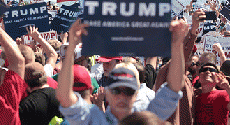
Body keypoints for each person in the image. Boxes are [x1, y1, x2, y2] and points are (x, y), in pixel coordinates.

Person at [56, 18, 187, 124]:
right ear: (107, 93)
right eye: (116, 90)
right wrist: (71, 46)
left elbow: (174, 88)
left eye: (128, 91)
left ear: (136, 94)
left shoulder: (145, 118)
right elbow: (65, 97)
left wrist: (177, 44)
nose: (122, 96)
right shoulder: (96, 120)